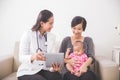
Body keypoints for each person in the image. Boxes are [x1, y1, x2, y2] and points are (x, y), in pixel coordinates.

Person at [17, 9, 62, 80]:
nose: (52, 26)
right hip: (28, 70)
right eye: (50, 23)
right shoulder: (28, 34)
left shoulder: (52, 37)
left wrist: (54, 67)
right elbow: (21, 57)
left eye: (53, 23)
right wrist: (33, 57)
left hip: (43, 69)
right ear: (42, 23)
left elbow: (51, 58)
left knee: (57, 76)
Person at [59, 16, 97, 80]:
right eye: (74, 28)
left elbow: (91, 57)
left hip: (84, 70)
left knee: (89, 77)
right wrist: (69, 61)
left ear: (83, 29)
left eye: (79, 29)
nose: (76, 31)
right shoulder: (66, 40)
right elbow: (59, 58)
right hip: (69, 71)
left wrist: (84, 66)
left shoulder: (88, 40)